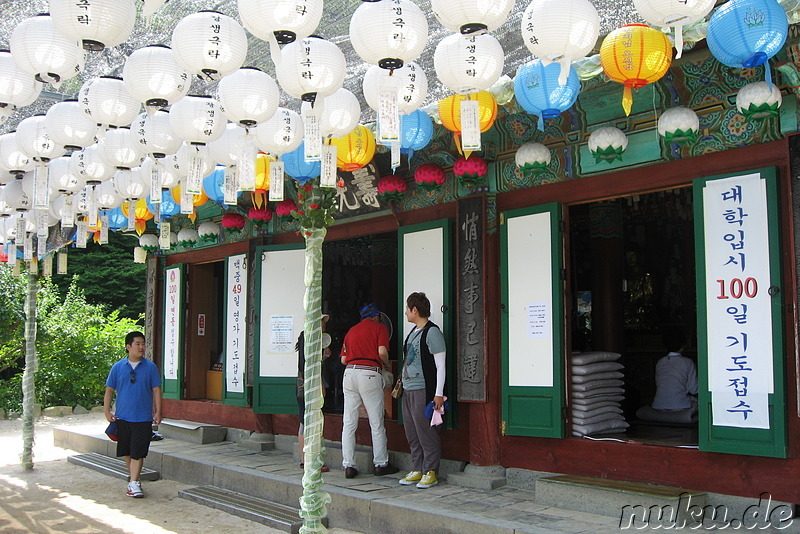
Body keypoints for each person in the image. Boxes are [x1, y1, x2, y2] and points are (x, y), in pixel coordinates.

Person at [340, 303, 398, 479]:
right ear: (375, 316)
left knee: (349, 422)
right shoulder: (380, 328)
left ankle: (349, 465)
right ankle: (381, 463)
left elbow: (343, 359)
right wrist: (387, 366)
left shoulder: (351, 331)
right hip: (369, 374)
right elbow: (381, 352)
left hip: (349, 373)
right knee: (376, 422)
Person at [103, 331, 162, 498]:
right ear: (128, 347)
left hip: (143, 417)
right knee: (128, 451)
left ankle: (134, 482)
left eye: (143, 343)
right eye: (138, 344)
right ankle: (134, 480)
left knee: (138, 451)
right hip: (122, 416)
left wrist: (158, 411)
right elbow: (109, 390)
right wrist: (107, 411)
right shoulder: (117, 367)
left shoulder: (150, 367)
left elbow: (156, 390)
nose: (141, 347)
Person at [398, 292, 447, 489]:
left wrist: (438, 393)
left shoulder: (432, 332)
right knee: (412, 431)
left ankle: (430, 470)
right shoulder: (413, 332)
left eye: (408, 309)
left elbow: (440, 366)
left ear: (415, 310)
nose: (406, 312)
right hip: (408, 389)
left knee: (426, 431)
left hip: (423, 390)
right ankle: (417, 467)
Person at [636, 329, 698, 423]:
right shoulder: (687, 362)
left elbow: (659, 384)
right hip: (680, 406)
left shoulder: (660, 362)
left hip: (658, 406)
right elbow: (694, 389)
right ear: (683, 344)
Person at [296, 314, 331, 472]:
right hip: (308, 383)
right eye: (322, 323)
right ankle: (309, 460)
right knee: (310, 422)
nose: (324, 326)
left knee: (304, 422)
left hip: (301, 383)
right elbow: (309, 364)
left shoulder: (305, 336)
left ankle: (306, 460)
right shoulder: (311, 337)